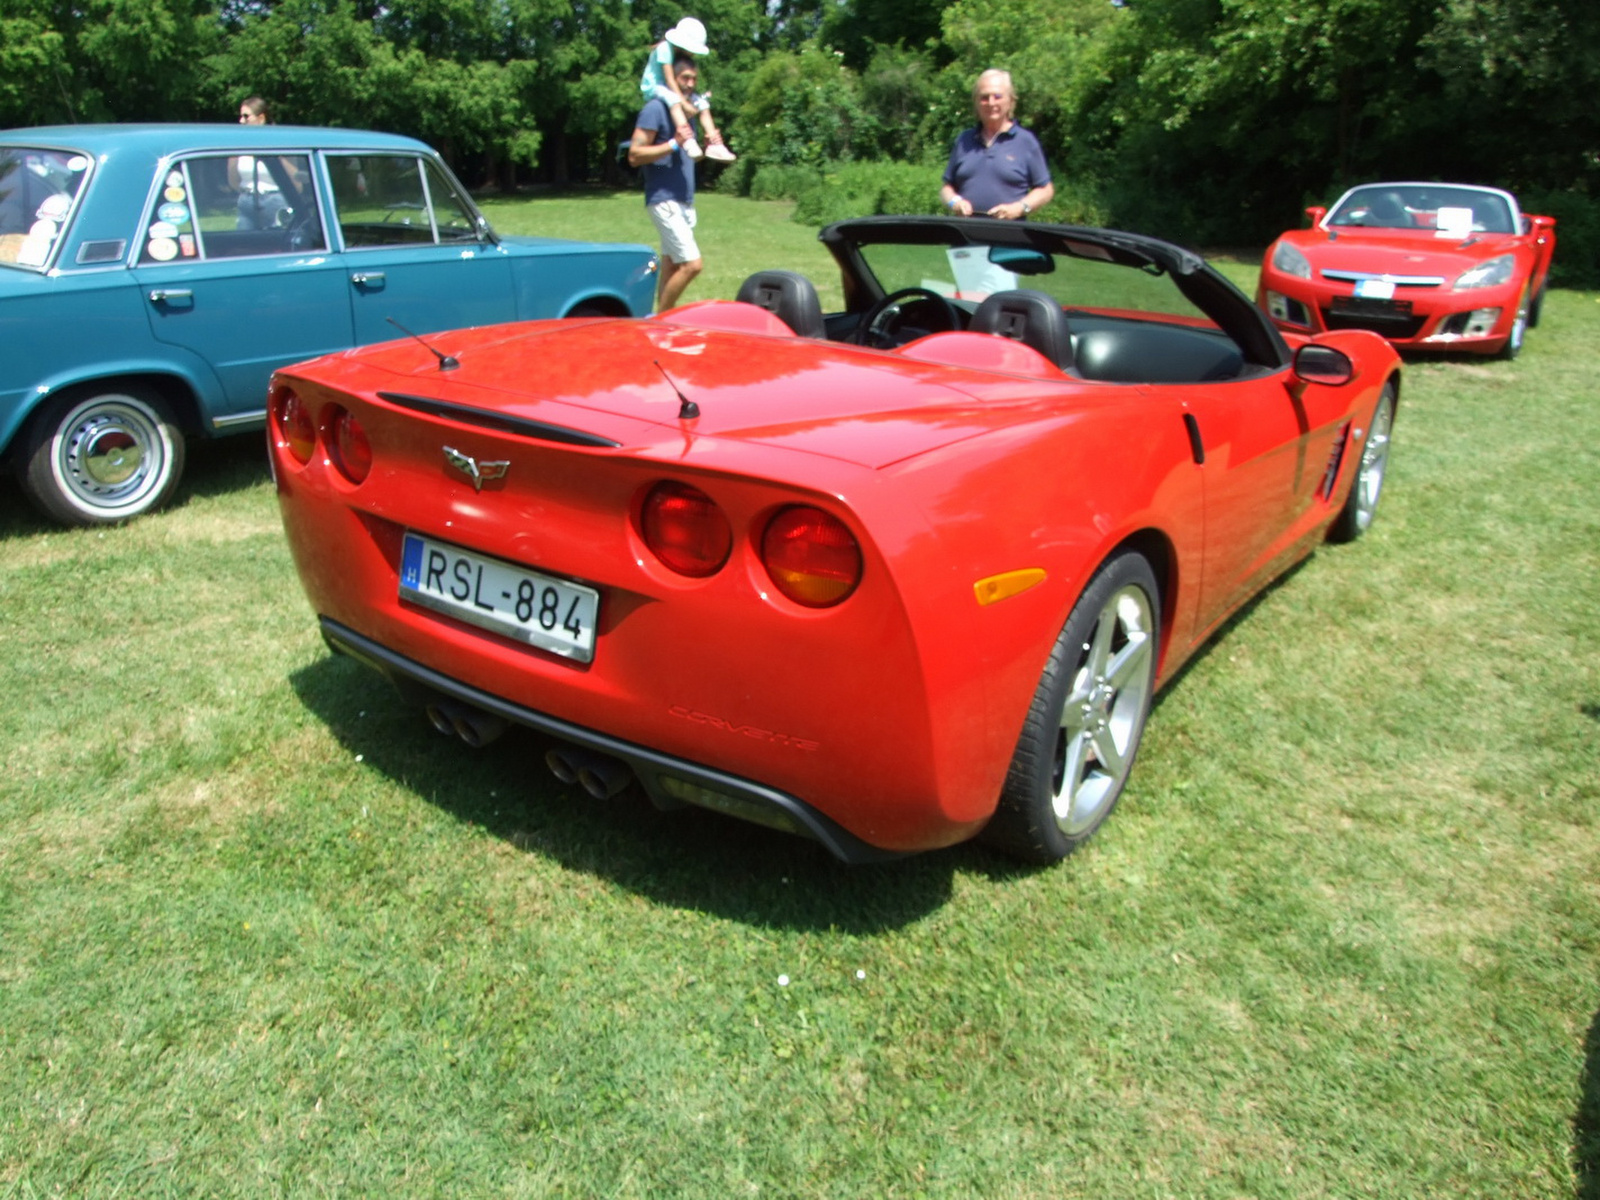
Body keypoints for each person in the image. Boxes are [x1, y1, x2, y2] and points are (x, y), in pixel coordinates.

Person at [629, 55, 705, 311]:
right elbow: (635, 155)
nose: (691, 83)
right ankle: (662, 319)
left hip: (683, 201)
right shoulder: (656, 109)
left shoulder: (686, 111)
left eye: (694, 78)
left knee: (672, 266)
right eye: (685, 77)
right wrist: (673, 143)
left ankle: (662, 326)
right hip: (663, 199)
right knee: (692, 264)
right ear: (671, 77)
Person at [940, 69, 1054, 221]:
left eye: (997, 96)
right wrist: (955, 202)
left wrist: (1019, 208)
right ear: (976, 102)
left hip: (1010, 238)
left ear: (1010, 101)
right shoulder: (963, 140)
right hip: (967, 236)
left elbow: (1045, 189)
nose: (991, 102)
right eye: (984, 98)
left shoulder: (1026, 141)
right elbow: (947, 188)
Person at [639, 17, 735, 163]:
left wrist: (692, 103)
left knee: (702, 103)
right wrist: (684, 104)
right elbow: (670, 79)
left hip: (668, 87)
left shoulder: (676, 54)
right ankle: (688, 140)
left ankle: (715, 144)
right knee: (674, 99)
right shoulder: (664, 48)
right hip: (655, 87)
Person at [230, 96, 289, 230]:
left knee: (278, 244)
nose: (241, 121)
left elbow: (296, 183)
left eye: (246, 116)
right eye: (241, 116)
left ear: (261, 118)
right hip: (246, 199)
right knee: (245, 244)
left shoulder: (280, 143)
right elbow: (233, 181)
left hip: (275, 199)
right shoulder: (238, 145)